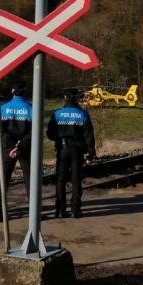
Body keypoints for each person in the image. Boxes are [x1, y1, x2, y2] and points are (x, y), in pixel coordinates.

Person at [46, 89, 96, 218]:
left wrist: (59, 137)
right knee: (76, 180)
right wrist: (91, 153)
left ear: (65, 98)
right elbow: (89, 136)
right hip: (77, 151)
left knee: (61, 180)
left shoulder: (57, 114)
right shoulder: (83, 114)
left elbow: (50, 134)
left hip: (62, 149)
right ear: (76, 99)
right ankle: (75, 209)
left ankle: (60, 210)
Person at [0, 86, 32, 223]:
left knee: (3, 180)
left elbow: (1, 131)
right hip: (25, 149)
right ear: (25, 93)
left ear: (12, 93)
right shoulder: (30, 108)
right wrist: (19, 147)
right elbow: (32, 132)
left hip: (7, 148)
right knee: (30, 180)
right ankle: (33, 212)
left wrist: (11, 147)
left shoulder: (3, 108)